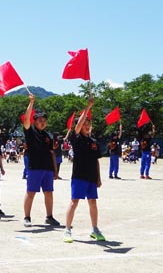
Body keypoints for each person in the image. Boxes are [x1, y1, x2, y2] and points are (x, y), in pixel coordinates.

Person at [63, 96, 105, 243]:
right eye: (84, 123)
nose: (87, 125)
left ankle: (95, 229)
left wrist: (98, 178)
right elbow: (78, 126)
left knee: (93, 202)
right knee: (74, 201)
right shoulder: (76, 139)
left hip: (91, 177)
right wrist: (88, 107)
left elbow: (96, 161)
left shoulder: (93, 142)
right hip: (79, 176)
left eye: (89, 123)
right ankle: (67, 230)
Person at [22, 94, 60, 228]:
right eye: (40, 120)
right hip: (35, 167)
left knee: (48, 192)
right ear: (35, 121)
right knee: (31, 192)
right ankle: (27, 217)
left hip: (47, 169)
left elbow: (51, 153)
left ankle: (49, 217)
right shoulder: (30, 131)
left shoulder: (47, 136)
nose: (43, 122)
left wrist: (55, 170)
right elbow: (26, 120)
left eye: (45, 120)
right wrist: (31, 103)